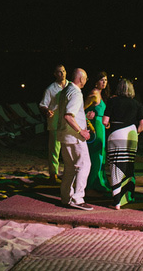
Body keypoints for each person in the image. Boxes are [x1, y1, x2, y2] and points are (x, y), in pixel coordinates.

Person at [102, 78, 143, 209]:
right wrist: (136, 132)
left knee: (116, 167)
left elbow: (105, 121)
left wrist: (109, 125)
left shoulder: (112, 101)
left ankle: (116, 201)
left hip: (117, 133)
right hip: (132, 135)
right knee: (129, 167)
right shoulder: (137, 104)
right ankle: (129, 197)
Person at [57, 68, 93, 210]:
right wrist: (81, 131)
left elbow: (70, 113)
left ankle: (66, 197)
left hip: (64, 135)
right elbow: (68, 115)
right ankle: (78, 198)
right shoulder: (76, 93)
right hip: (75, 137)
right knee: (84, 165)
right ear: (81, 79)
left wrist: (84, 116)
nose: (86, 80)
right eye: (85, 78)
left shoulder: (65, 91)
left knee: (70, 168)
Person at [39, 64, 68, 183]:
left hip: (68, 121)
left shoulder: (70, 86)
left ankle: (68, 173)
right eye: (59, 72)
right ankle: (53, 173)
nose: (62, 74)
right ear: (55, 74)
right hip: (55, 121)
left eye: (64, 71)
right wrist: (47, 111)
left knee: (68, 148)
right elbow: (42, 104)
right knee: (55, 149)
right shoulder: (51, 88)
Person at [84, 72, 110, 193]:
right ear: (96, 81)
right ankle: (93, 182)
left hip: (101, 125)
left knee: (101, 153)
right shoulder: (94, 94)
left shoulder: (101, 94)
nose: (104, 82)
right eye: (101, 80)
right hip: (95, 126)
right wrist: (87, 116)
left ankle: (99, 180)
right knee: (96, 154)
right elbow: (81, 109)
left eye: (105, 80)